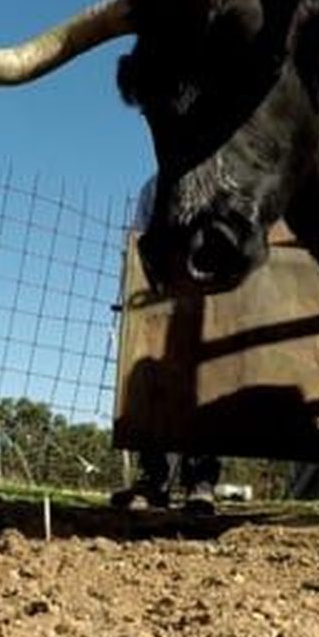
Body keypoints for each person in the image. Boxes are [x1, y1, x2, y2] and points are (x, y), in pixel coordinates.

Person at [111, 176, 222, 514]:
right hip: (163, 292)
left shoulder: (224, 181)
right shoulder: (155, 187)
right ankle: (154, 478)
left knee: (210, 381)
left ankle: (200, 482)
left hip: (215, 292)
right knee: (152, 379)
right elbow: (138, 238)